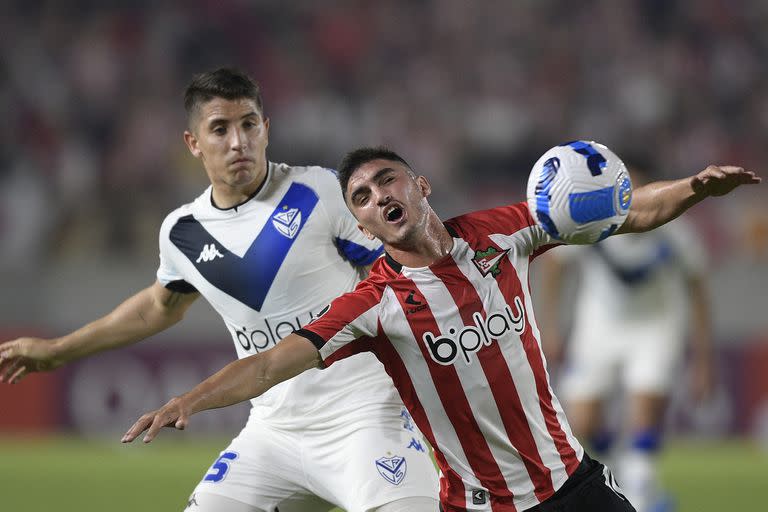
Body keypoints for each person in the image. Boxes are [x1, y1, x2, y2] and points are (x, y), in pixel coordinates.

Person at [118, 145, 760, 511]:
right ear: (363, 228)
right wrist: (189, 401)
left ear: (420, 185)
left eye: (385, 180)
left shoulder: (503, 232)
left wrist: (694, 188)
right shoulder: (374, 304)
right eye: (361, 199)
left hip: (570, 485)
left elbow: (621, 212)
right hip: (475, 506)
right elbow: (265, 365)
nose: (376, 197)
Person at [0, 71, 439, 512]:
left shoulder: (323, 192)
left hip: (367, 417)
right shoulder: (183, 232)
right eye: (220, 129)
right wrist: (57, 350)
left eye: (249, 124)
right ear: (193, 143)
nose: (238, 142)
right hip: (274, 432)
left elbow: (408, 268)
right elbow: (156, 308)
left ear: (266, 129)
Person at [538, 164, 714, 512]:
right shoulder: (593, 221)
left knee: (644, 410)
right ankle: (623, 474)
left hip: (657, 326)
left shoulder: (674, 229)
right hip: (598, 327)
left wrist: (703, 359)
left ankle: (643, 491)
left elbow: (697, 288)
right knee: (584, 420)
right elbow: (556, 265)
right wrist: (551, 325)